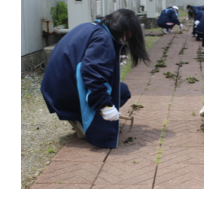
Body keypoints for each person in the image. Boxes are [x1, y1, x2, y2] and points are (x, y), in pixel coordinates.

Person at [41, 9, 150, 148]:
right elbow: (91, 73)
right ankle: (81, 118)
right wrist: (105, 106)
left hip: (55, 89)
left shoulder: (91, 27)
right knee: (122, 92)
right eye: (131, 35)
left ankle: (79, 116)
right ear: (126, 29)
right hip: (65, 96)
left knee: (116, 88)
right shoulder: (103, 38)